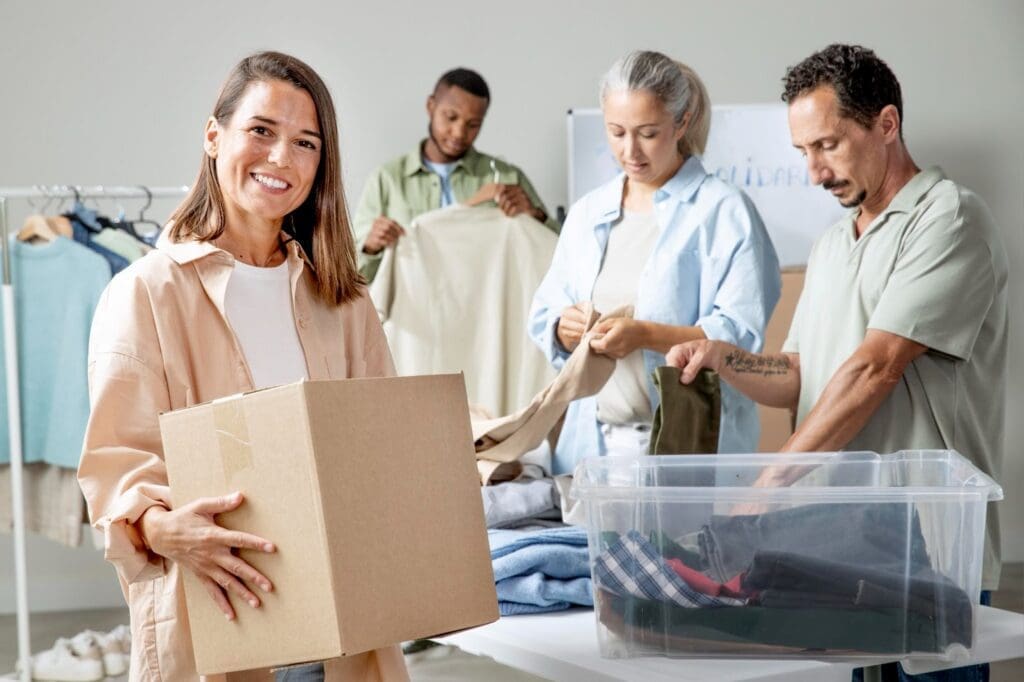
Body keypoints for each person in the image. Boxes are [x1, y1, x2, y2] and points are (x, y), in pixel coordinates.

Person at [666, 43, 1007, 682]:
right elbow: (800, 373)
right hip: (839, 543)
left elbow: (876, 367)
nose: (814, 172)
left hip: (930, 548)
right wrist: (725, 358)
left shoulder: (948, 219)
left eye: (827, 145)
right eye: (802, 152)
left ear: (886, 123)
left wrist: (766, 488)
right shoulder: (831, 244)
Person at [77, 52, 407, 682]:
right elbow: (117, 466)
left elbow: (380, 451)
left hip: (344, 636)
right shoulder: (146, 292)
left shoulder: (345, 299)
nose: (281, 157)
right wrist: (162, 526)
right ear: (213, 136)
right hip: (219, 629)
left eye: (305, 142)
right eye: (261, 131)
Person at [528, 50, 781, 475]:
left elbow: (739, 338)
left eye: (648, 133)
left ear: (681, 124)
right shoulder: (589, 213)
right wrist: (561, 327)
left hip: (692, 450)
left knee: (686, 541)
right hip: (592, 449)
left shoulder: (725, 211)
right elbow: (545, 314)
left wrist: (645, 335)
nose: (630, 151)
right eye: (616, 132)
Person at [352, 67, 559, 282]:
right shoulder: (387, 179)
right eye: (451, 117)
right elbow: (352, 276)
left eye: (473, 124)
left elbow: (563, 258)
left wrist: (537, 216)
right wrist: (369, 248)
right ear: (430, 106)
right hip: (410, 312)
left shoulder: (507, 178)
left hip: (488, 311)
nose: (459, 133)